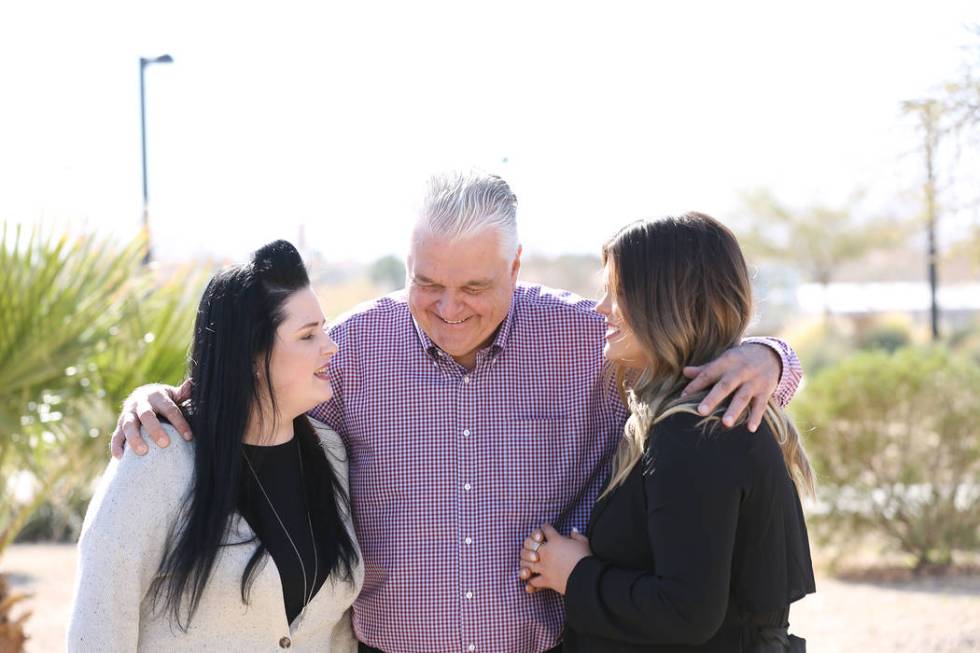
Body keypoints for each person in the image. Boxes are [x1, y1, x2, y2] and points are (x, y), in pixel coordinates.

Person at [111, 172, 802, 653]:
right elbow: (249, 390)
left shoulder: (589, 339)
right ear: (406, 261)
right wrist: (156, 396)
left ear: (517, 264)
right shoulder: (348, 349)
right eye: (428, 282)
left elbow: (690, 359)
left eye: (475, 285)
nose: (449, 308)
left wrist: (771, 355)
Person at [519, 214, 814, 652]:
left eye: (616, 293)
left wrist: (575, 574)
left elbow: (686, 611)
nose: (600, 307)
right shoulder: (696, 419)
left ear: (665, 303)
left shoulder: (696, 432)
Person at [68, 241, 363, 651]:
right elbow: (98, 625)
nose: (330, 346)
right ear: (253, 357)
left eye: (324, 329)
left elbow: (336, 633)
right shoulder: (156, 457)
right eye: (308, 334)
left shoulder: (331, 454)